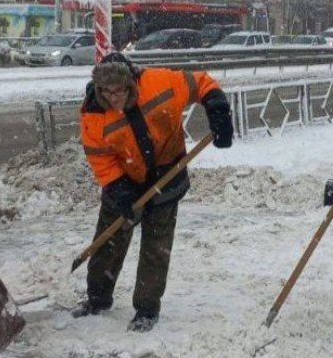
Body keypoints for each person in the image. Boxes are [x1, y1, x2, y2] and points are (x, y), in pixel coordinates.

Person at [75, 52, 233, 332]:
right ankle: (97, 297)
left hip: (167, 172)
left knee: (155, 247)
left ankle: (146, 309)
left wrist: (217, 109)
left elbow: (201, 83)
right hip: (123, 180)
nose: (113, 98)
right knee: (109, 240)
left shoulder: (160, 83)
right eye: (107, 92)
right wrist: (118, 187)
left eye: (119, 90)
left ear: (131, 83)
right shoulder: (94, 112)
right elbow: (99, 157)